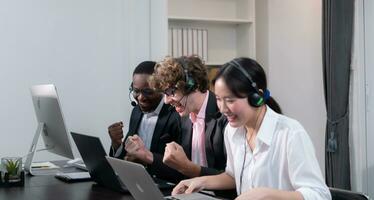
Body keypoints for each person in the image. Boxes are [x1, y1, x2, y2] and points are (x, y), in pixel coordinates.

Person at [171, 57, 331, 200]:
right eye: (219, 99)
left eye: (230, 100)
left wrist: (268, 195)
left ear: (257, 98)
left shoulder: (290, 134)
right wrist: (200, 181)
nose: (223, 109)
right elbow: (233, 176)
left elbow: (319, 194)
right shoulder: (232, 131)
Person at [150, 56, 228, 179]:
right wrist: (147, 156)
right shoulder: (183, 118)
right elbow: (180, 171)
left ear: (193, 85)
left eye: (171, 92)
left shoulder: (226, 116)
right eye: (165, 94)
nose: (166, 101)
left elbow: (233, 179)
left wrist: (188, 167)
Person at [108, 61, 181, 182]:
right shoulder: (136, 112)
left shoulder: (176, 116)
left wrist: (145, 162)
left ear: (161, 88)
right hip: (137, 182)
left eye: (148, 91)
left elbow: (181, 167)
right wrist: (116, 143)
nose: (141, 98)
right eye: (136, 91)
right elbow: (125, 158)